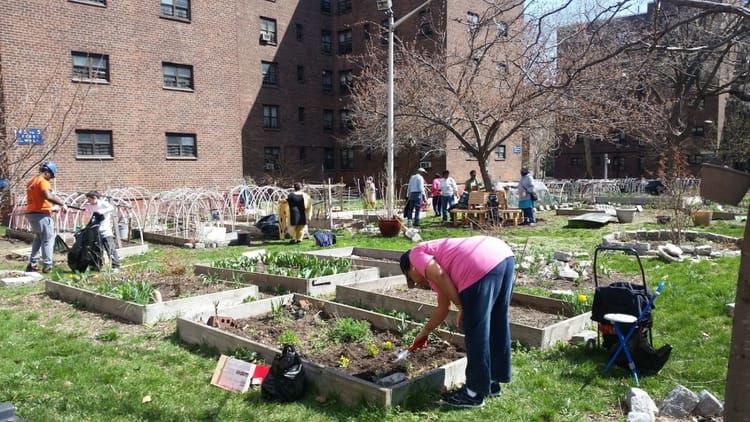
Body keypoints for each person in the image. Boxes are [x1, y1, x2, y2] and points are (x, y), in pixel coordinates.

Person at [399, 236, 515, 409]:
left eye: (412, 279)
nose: (416, 283)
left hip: (479, 265)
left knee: (476, 330)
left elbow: (440, 274)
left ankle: (472, 394)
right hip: (503, 255)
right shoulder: (441, 266)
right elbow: (442, 308)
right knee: (496, 321)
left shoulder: (416, 253)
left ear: (412, 267)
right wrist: (424, 333)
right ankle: (492, 382)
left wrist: (461, 306)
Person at [25, 161, 68, 273]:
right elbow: (48, 196)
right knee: (48, 240)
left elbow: (39, 199)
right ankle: (47, 266)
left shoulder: (32, 181)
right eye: (52, 176)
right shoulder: (43, 181)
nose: (51, 179)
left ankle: (33, 264)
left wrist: (51, 207)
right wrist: (62, 203)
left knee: (38, 238)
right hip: (41, 215)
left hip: (31, 213)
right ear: (47, 172)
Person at [82, 191, 120, 271]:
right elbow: (87, 210)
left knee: (110, 248)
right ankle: (97, 265)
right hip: (96, 231)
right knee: (97, 249)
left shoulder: (103, 203)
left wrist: (102, 211)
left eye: (90, 200)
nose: (89, 202)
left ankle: (115, 266)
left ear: (95, 198)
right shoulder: (89, 205)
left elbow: (111, 208)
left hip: (105, 230)